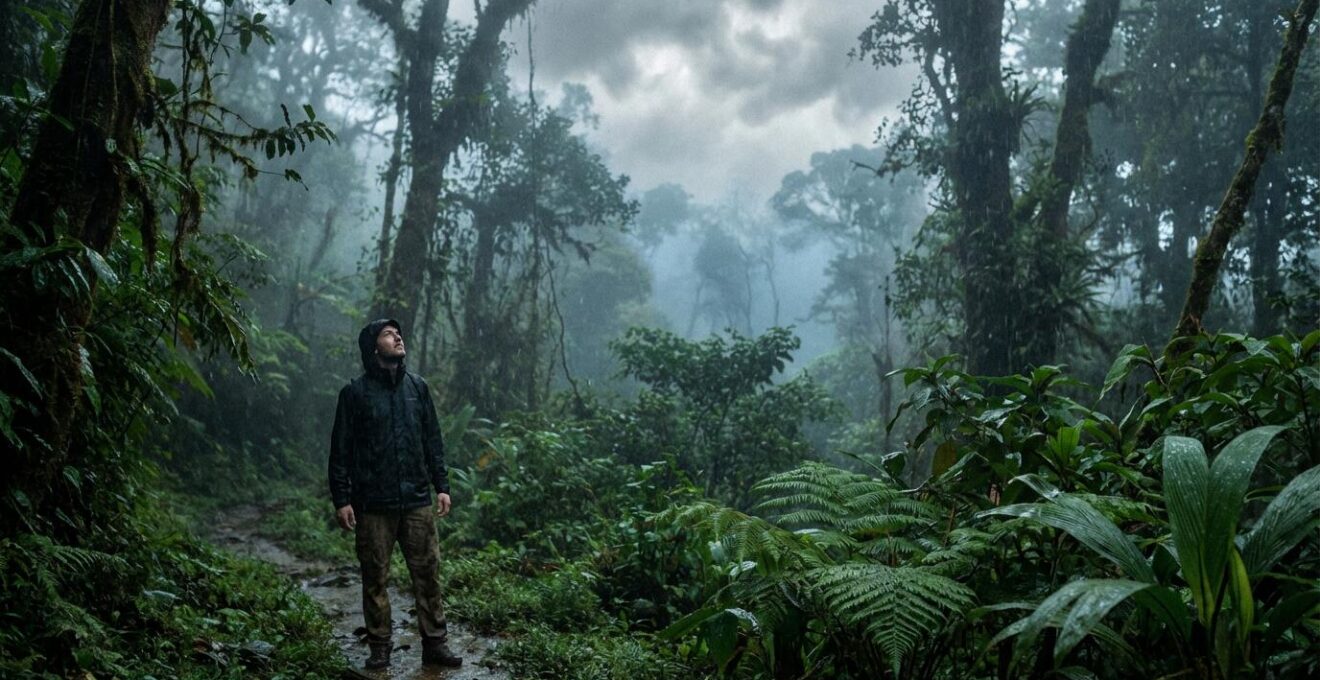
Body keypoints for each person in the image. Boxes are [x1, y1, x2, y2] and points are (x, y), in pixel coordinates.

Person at [328, 318, 461, 670]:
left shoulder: (417, 388)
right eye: (388, 334)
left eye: (397, 333)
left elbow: (432, 441)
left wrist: (442, 487)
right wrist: (342, 499)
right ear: (373, 347)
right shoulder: (354, 394)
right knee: (375, 578)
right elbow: (340, 451)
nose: (398, 337)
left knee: (428, 573)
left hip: (416, 499)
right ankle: (379, 647)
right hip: (373, 504)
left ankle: (436, 644)